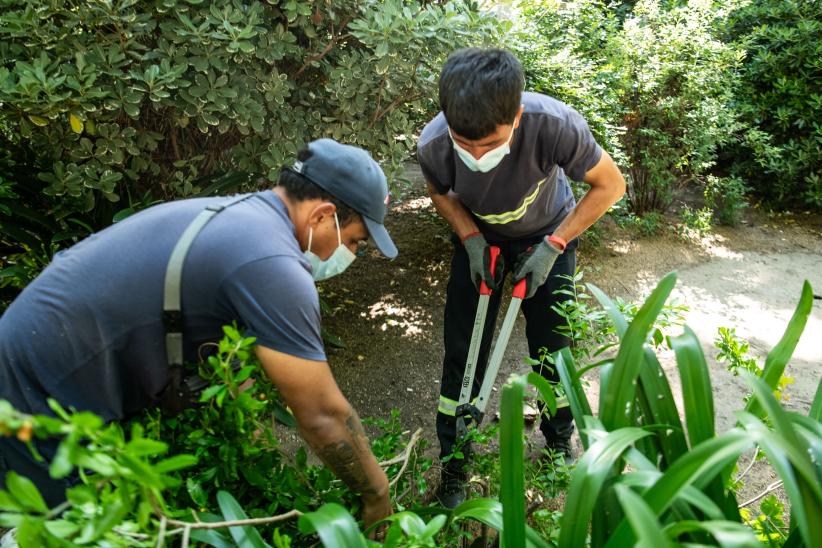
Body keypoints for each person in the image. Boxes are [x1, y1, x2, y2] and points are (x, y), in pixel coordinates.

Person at [0, 139, 397, 529]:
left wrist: (255, 444)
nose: (352, 255)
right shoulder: (275, 265)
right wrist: (377, 496)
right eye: (355, 241)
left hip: (34, 359)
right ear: (322, 216)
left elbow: (218, 339)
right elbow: (323, 415)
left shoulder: (244, 217)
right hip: (34, 395)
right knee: (60, 529)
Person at [417, 48, 626, 508]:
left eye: (488, 145)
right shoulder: (434, 143)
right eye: (463, 144)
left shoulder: (555, 125)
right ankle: (455, 460)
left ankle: (557, 444)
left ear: (516, 115)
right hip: (481, 239)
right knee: (463, 349)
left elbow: (611, 185)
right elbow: (439, 192)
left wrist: (553, 246)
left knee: (554, 348)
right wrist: (470, 237)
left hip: (549, 233)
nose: (474, 156)